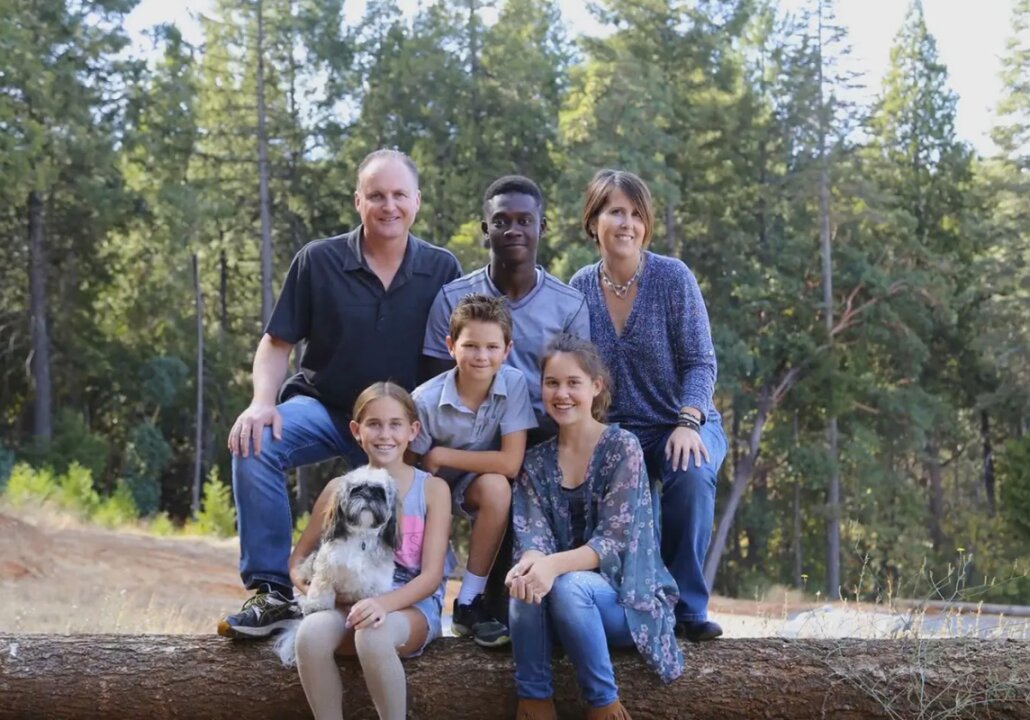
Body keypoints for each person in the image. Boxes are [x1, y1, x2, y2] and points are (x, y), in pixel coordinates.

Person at [219, 149, 462, 639]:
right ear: (358, 201)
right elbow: (276, 343)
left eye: (399, 195)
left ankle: (445, 603)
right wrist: (261, 403)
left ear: (417, 201)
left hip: (398, 428)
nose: (388, 206)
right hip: (324, 408)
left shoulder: (442, 268)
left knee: (460, 475)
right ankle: (272, 591)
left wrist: (432, 435)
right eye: (376, 195)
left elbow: (453, 360)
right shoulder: (319, 260)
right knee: (255, 443)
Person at [569, 169, 728, 642]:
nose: (628, 223)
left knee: (691, 473)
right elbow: (578, 373)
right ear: (593, 221)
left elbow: (701, 362)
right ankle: (643, 605)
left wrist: (688, 421)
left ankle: (689, 609)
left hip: (683, 419)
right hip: (619, 431)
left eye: (637, 214)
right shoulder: (579, 287)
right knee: (623, 486)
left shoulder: (672, 278)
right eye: (616, 212)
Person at [505, 335, 682, 720]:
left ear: (596, 386)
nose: (561, 394)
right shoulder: (535, 462)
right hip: (557, 604)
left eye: (574, 383)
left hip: (623, 601)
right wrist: (531, 564)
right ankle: (535, 701)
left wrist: (550, 566)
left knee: (569, 586)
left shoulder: (622, 447)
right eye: (552, 383)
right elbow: (532, 535)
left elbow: (613, 542)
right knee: (523, 580)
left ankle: (602, 704)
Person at [289, 382, 451, 720]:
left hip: (409, 606)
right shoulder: (339, 489)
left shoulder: (432, 490)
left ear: (412, 431)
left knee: (373, 636)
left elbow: (432, 575)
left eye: (395, 424)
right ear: (356, 431)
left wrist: (382, 604)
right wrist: (324, 592)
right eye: (374, 424)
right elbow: (298, 561)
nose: (385, 434)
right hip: (347, 602)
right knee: (310, 635)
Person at [410, 294, 537, 647]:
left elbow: (510, 463)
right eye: (470, 346)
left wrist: (442, 454)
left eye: (492, 347)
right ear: (451, 346)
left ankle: (468, 602)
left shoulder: (513, 384)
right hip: (428, 490)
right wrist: (432, 467)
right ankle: (421, 604)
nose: (482, 356)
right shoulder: (424, 400)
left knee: (498, 487)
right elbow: (410, 472)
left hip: (473, 483)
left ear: (507, 350)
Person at [422, 175, 590, 442]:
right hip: (467, 440)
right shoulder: (452, 299)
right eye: (501, 222)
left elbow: (576, 386)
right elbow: (436, 387)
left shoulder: (570, 304)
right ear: (485, 229)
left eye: (524, 221)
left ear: (542, 227)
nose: (513, 230)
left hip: (544, 437)